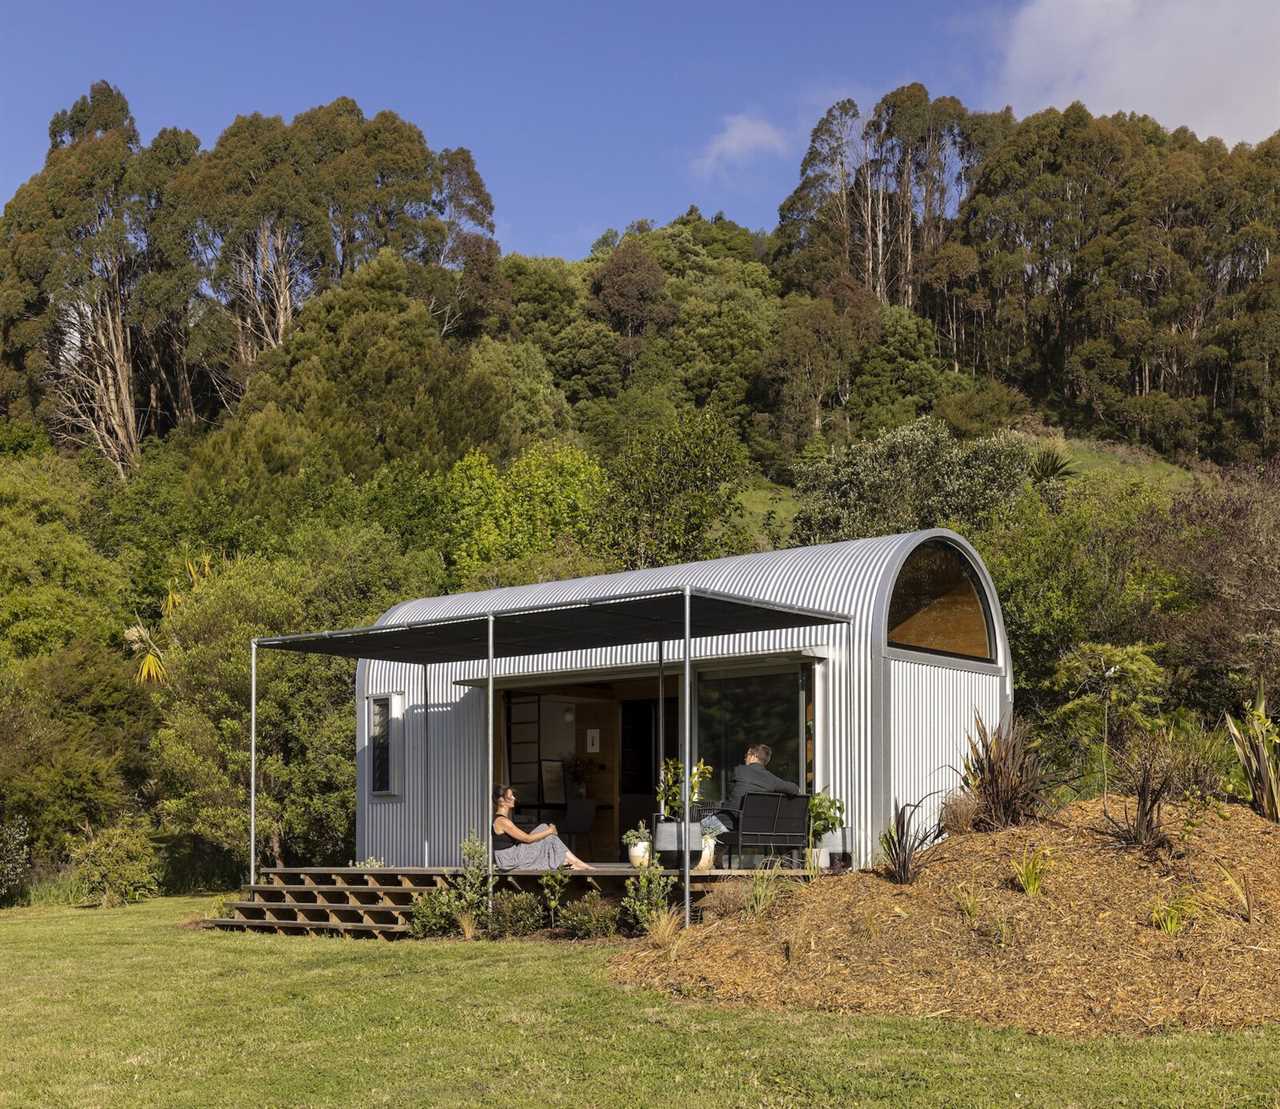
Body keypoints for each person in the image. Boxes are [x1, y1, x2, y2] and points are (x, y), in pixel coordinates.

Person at [701, 743, 799, 837]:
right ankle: (715, 852)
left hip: (729, 822)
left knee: (696, 832)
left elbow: (731, 794)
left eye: (746, 755)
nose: (745, 758)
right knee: (714, 838)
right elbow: (794, 789)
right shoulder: (772, 779)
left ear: (754, 756)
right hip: (754, 829)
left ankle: (704, 853)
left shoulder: (739, 771)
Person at [491, 785, 593, 871]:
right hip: (509, 859)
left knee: (545, 830)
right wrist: (550, 831)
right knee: (546, 831)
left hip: (510, 856)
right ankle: (574, 862)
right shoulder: (502, 821)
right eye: (510, 796)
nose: (514, 798)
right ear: (501, 801)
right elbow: (527, 839)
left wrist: (548, 832)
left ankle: (572, 862)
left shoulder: (503, 819)